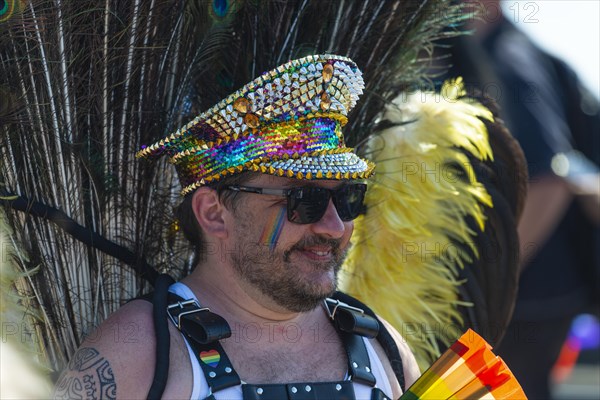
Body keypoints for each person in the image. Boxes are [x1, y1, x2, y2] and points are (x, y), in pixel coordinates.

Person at [53, 54, 421, 400]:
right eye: (303, 201)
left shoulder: (384, 349)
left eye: (348, 198)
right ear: (213, 213)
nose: (334, 226)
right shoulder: (136, 354)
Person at [442, 1, 600, 398]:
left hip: (527, 302)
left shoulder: (509, 59)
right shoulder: (485, 55)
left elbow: (550, 180)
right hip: (531, 299)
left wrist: (490, 276)